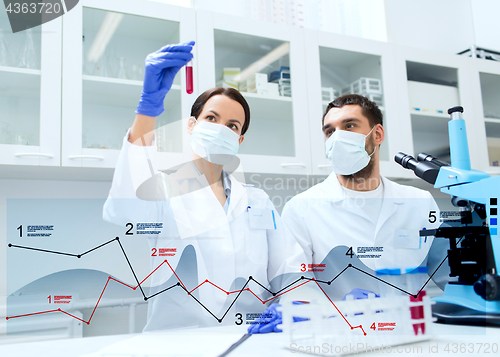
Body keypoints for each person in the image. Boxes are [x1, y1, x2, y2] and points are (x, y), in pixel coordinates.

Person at [102, 41, 307, 331]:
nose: (222, 129)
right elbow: (123, 207)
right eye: (211, 118)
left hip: (250, 340)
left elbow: (289, 267)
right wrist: (147, 111)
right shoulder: (163, 189)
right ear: (191, 125)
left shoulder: (257, 201)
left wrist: (294, 305)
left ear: (240, 140)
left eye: (233, 126)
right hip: (178, 345)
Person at [248, 94, 442, 333]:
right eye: (330, 131)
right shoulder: (301, 208)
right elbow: (295, 286)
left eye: (349, 126)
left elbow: (450, 275)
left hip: (411, 335)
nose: (337, 137)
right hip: (339, 336)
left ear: (377, 134)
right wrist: (326, 310)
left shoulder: (419, 202)